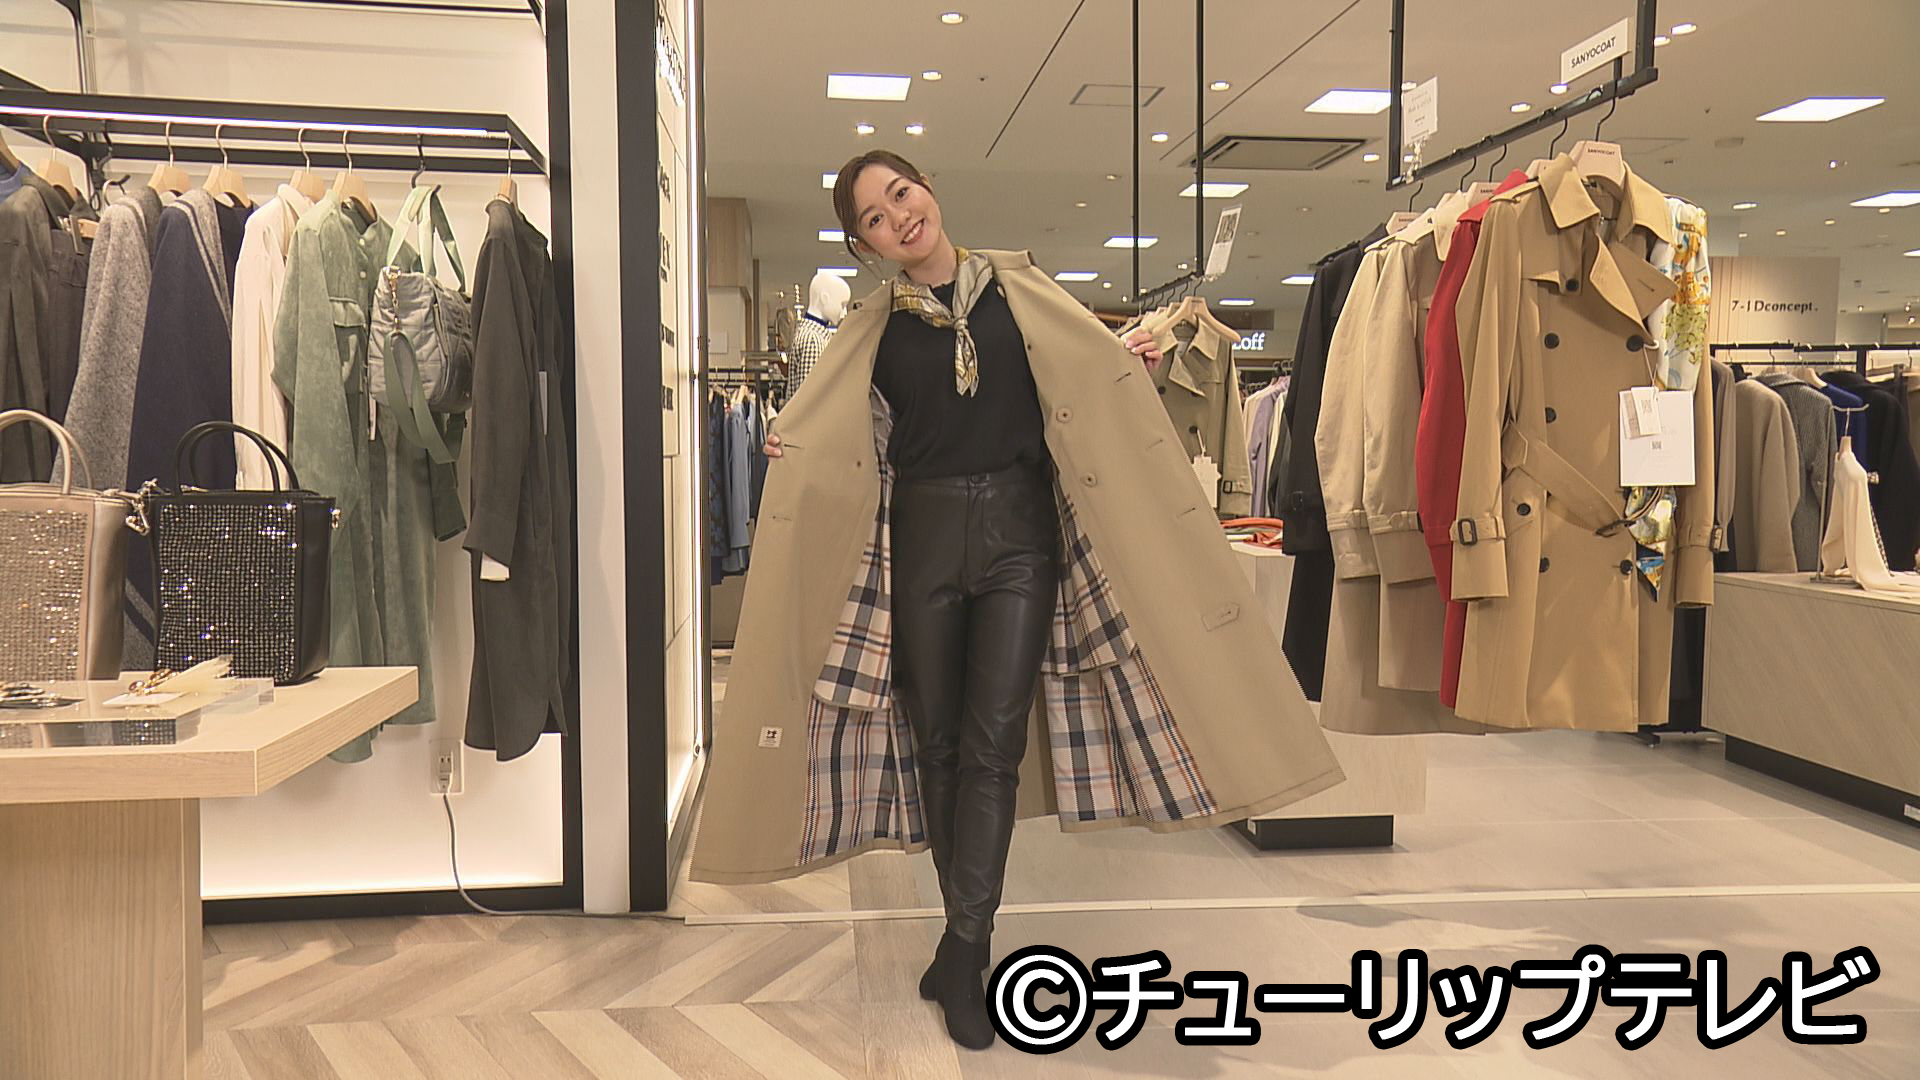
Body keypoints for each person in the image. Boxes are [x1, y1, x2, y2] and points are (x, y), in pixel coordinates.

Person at [693, 149, 1344, 1051]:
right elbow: (833, 425)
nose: (899, 217)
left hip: (1017, 540)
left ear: (928, 186)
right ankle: (962, 940)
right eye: (875, 217)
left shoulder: (1023, 295)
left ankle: (968, 947)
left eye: (901, 193)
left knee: (993, 747)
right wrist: (790, 443)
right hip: (921, 541)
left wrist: (1131, 366)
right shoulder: (872, 332)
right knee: (940, 744)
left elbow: (1084, 382)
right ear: (866, 246)